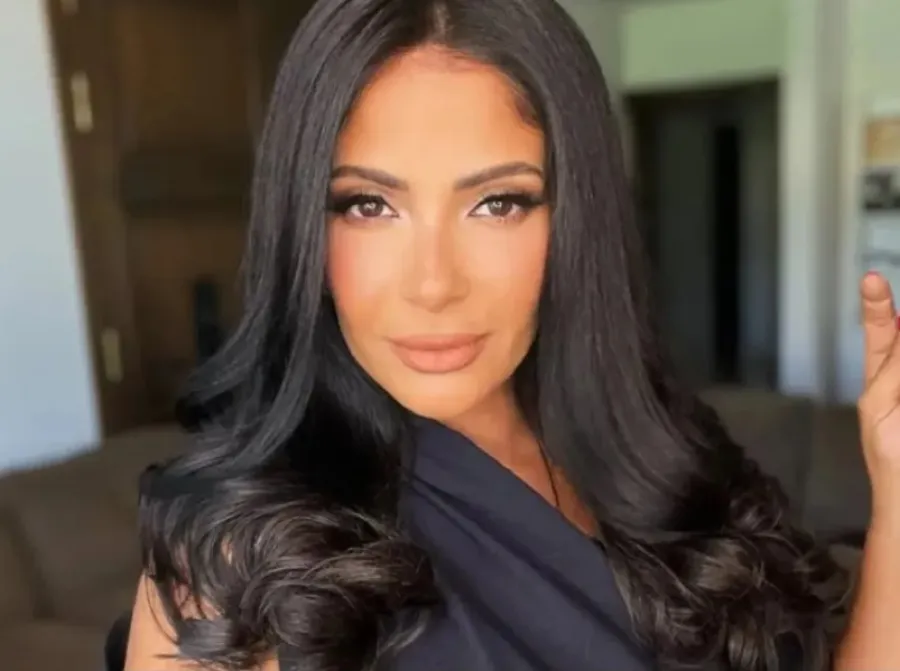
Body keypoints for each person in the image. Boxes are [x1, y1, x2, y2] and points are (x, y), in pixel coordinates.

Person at [120, 0, 900, 669]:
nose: (433, 284)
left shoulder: (663, 461)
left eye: (497, 203)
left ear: (574, 222)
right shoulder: (232, 562)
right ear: (303, 230)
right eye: (367, 205)